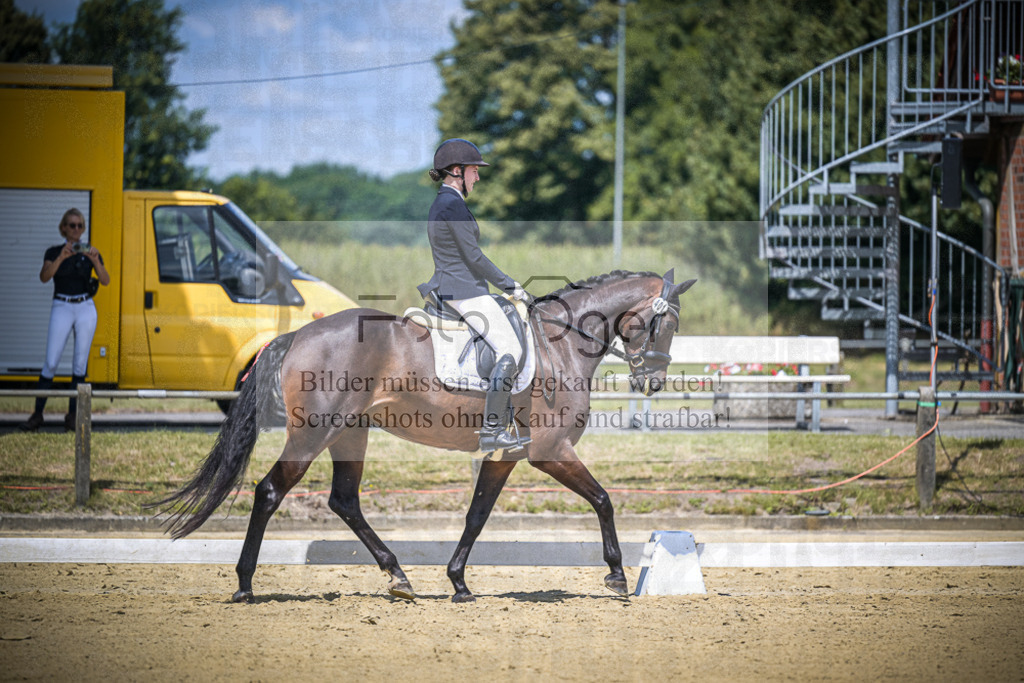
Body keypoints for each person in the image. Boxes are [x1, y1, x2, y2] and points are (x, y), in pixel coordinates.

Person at [417, 138, 530, 453]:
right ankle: (492, 430)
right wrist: (511, 285)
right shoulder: (452, 205)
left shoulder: (446, 203)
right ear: (457, 171)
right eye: (473, 171)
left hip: (456, 286)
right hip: (462, 289)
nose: (477, 177)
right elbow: (474, 258)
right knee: (510, 349)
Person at [21, 208, 110, 432]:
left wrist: (95, 260)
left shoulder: (89, 251)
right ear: (63, 228)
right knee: (51, 362)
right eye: (72, 225)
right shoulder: (54, 251)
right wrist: (62, 256)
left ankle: (72, 416)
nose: (76, 230)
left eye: (80, 225)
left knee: (80, 365)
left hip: (85, 307)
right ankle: (38, 414)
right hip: (62, 305)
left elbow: (106, 280)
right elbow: (44, 277)